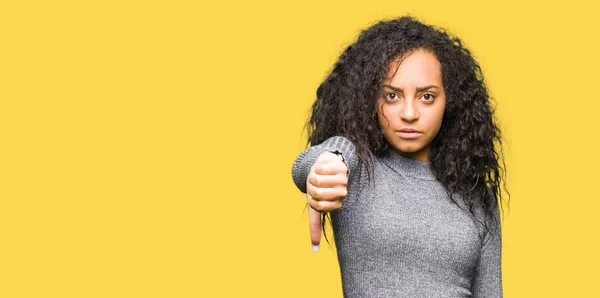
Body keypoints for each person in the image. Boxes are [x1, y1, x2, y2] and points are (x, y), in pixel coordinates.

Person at [291, 16, 509, 297]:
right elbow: (319, 159)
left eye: (426, 96)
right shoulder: (357, 168)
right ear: (370, 98)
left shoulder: (476, 194)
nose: (409, 113)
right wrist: (326, 166)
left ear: (449, 101)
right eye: (392, 96)